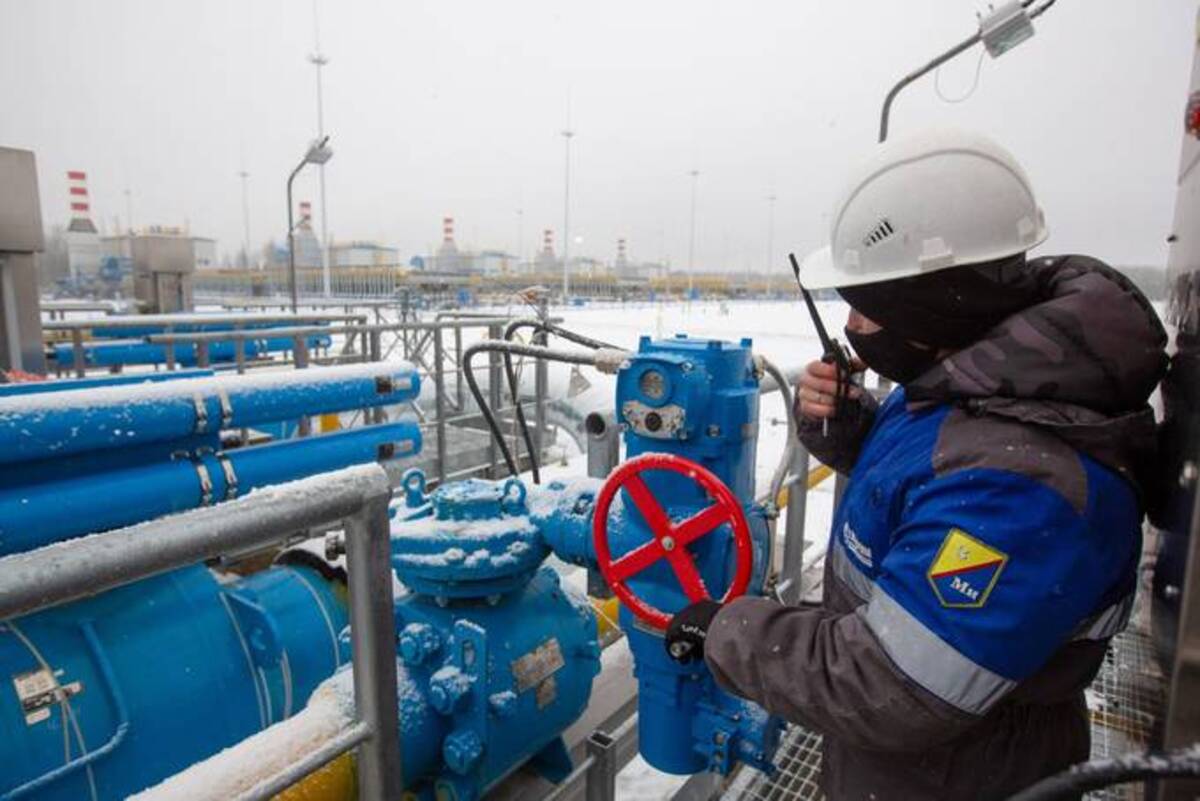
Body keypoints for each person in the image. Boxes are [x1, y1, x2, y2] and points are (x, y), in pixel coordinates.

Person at [663, 129, 1168, 800]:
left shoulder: (1024, 487)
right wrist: (850, 427)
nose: (850, 324)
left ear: (931, 304)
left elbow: (888, 685)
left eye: (866, 306)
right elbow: (935, 470)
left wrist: (727, 630)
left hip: (958, 772)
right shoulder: (978, 377)